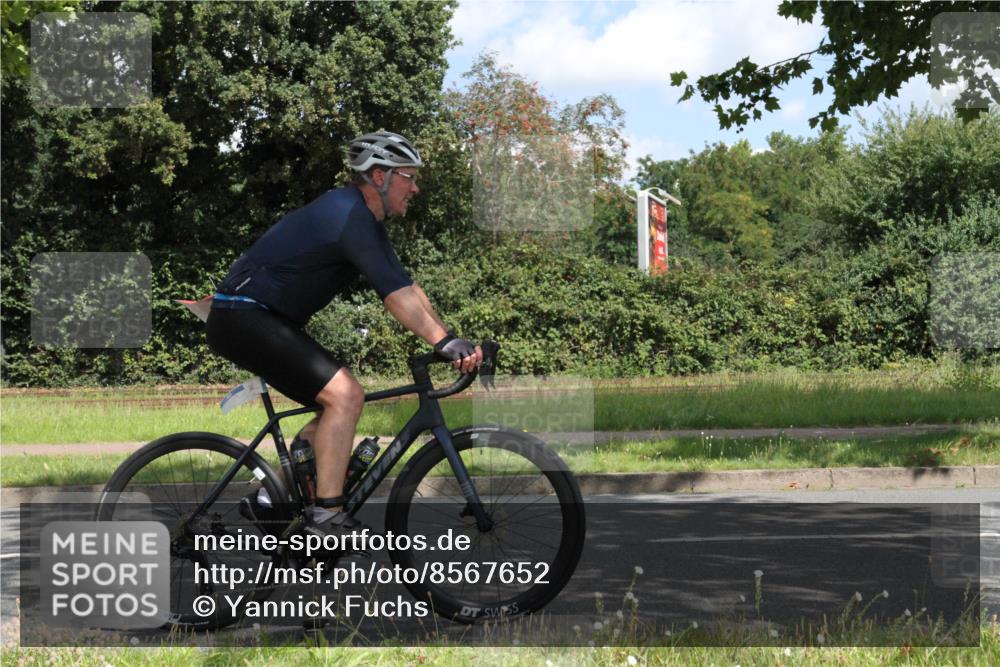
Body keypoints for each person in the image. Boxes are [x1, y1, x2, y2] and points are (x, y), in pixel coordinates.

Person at [206, 131, 482, 545]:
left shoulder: (363, 220)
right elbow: (394, 299)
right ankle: (327, 515)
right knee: (345, 395)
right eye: (409, 177)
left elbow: (407, 288)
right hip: (245, 315)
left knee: (333, 407)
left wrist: (451, 338)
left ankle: (268, 498)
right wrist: (442, 342)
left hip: (256, 318)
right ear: (378, 177)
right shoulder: (348, 215)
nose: (416, 187)